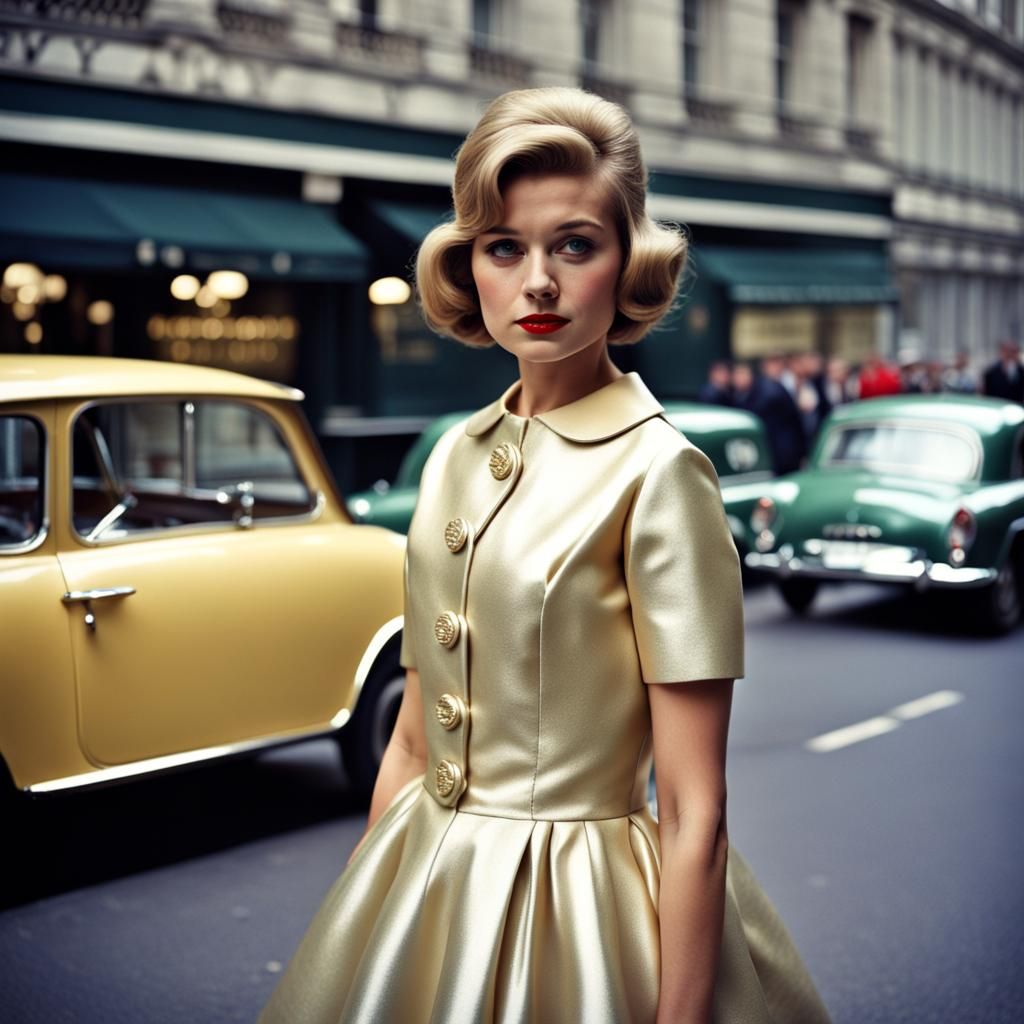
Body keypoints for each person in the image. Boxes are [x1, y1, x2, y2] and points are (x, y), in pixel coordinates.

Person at [260, 88, 830, 1024]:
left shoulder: (660, 474)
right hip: (425, 890)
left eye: (573, 245)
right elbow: (410, 741)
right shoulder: (453, 453)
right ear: (470, 267)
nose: (537, 282)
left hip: (581, 912)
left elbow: (693, 813)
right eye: (504, 247)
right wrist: (362, 920)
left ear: (627, 263)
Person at [733, 359, 808, 475]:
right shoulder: (750, 392)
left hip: (781, 454)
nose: (738, 379)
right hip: (782, 451)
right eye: (736, 375)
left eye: (742, 374)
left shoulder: (768, 393)